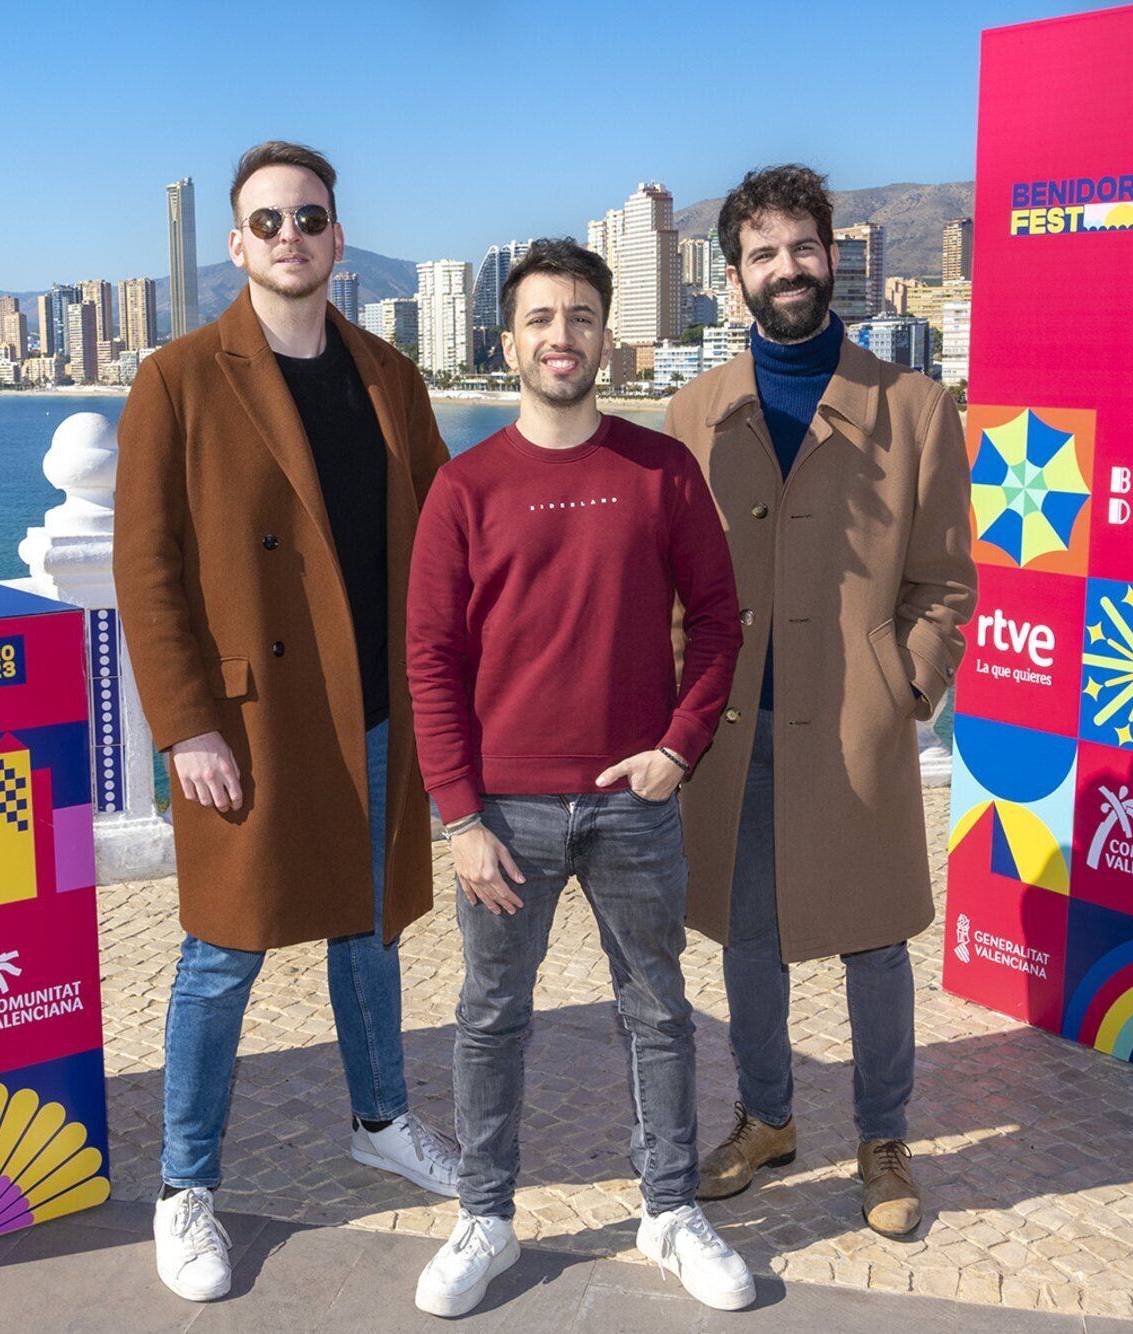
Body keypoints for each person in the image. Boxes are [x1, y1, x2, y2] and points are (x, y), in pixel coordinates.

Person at [114, 140, 458, 1303]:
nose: (289, 238)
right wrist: (183, 725)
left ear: (337, 237)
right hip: (249, 725)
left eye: (308, 218)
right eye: (266, 222)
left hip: (373, 710)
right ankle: (184, 1184)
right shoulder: (178, 376)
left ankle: (379, 1118)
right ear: (236, 244)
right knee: (222, 952)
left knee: (368, 932)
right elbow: (147, 566)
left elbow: (449, 531)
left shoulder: (387, 373)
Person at [405, 239, 754, 1318]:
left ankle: (667, 1209)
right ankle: (486, 1216)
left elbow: (719, 627)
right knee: (487, 1015)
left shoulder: (659, 472)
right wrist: (458, 814)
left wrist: (676, 749)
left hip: (631, 804)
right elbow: (431, 658)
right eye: (541, 319)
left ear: (608, 335)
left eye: (581, 317)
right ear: (505, 341)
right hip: (502, 812)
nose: (562, 336)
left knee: (656, 1008)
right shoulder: (464, 488)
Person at [664, 164, 975, 1239]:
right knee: (746, 934)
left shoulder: (914, 407)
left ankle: (882, 1138)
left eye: (801, 247)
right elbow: (668, 581)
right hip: (731, 724)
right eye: (761, 253)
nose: (784, 268)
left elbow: (944, 579)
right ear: (733, 275)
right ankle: (766, 1116)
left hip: (855, 721)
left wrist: (905, 686)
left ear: (832, 254)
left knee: (874, 938)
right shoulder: (691, 413)